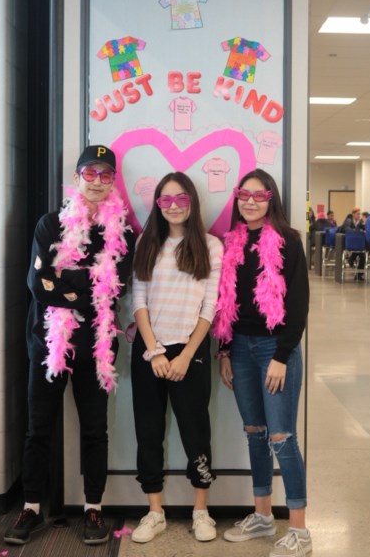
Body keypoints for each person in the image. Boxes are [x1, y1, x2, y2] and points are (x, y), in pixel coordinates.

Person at [5, 145, 135, 546]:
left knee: (96, 430)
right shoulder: (50, 224)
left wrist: (66, 281)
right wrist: (86, 287)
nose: (97, 182)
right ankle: (30, 509)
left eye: (105, 175)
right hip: (49, 343)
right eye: (89, 174)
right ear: (76, 178)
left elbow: (116, 291)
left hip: (97, 346)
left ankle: (93, 510)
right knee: (38, 429)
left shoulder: (124, 232)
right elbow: (38, 285)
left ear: (113, 181)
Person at [213, 169, 312, 557]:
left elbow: (299, 305)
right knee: (254, 431)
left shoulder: (288, 241)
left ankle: (300, 532)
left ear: (272, 200)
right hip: (239, 348)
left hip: (275, 349)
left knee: (282, 438)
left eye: (259, 195)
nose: (250, 201)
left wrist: (283, 357)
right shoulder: (231, 242)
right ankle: (263, 516)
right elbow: (225, 303)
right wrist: (223, 351)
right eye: (244, 194)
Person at [129, 172, 224, 544]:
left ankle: (201, 509)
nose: (173, 206)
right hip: (149, 350)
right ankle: (155, 511)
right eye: (165, 200)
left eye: (180, 199)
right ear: (157, 204)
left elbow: (210, 306)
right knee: (148, 431)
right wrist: (153, 351)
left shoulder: (211, 246)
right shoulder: (146, 242)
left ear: (192, 202)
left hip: (191, 350)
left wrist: (186, 355)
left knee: (195, 430)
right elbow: (137, 300)